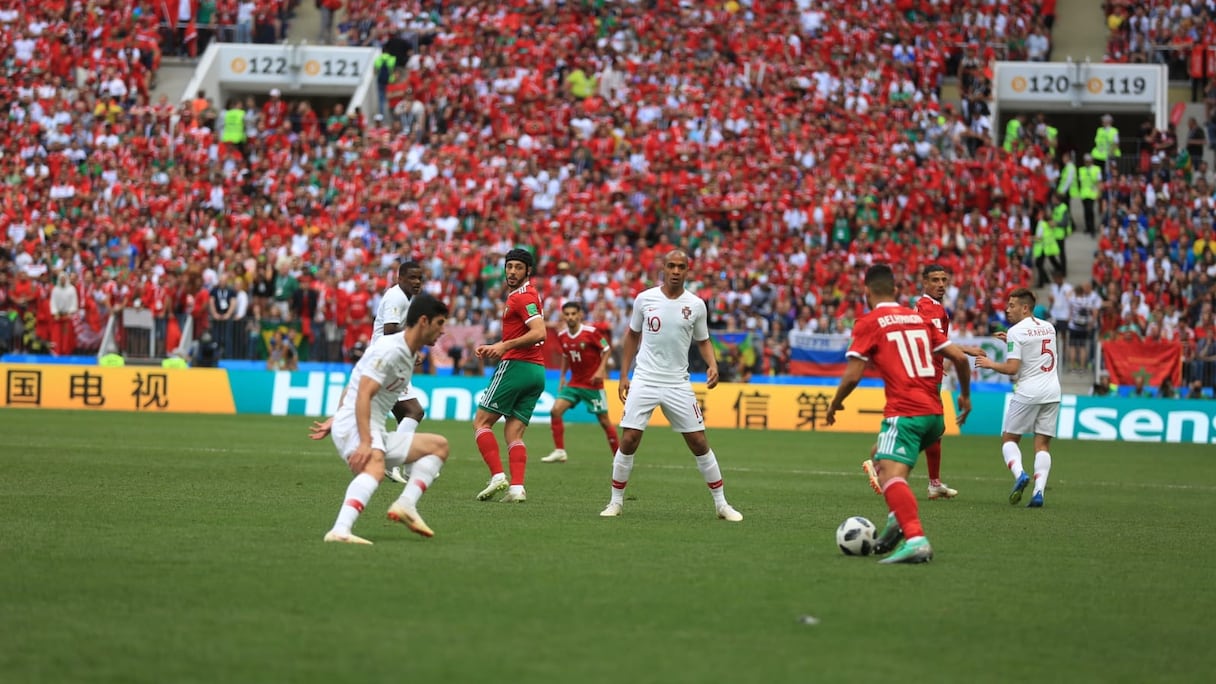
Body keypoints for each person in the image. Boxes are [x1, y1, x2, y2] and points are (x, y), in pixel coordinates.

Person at [828, 264, 973, 564]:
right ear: (896, 290)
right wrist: (966, 397)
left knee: (891, 477)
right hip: (935, 414)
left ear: (866, 292)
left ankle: (916, 539)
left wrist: (835, 404)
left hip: (906, 412)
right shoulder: (918, 318)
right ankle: (897, 520)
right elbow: (959, 358)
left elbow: (853, 376)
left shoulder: (869, 321)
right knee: (881, 457)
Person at [599, 249, 743, 522]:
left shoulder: (697, 305)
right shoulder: (645, 299)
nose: (676, 271)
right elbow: (632, 335)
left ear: (688, 271)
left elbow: (703, 340)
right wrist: (624, 374)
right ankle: (615, 502)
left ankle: (722, 504)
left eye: (681, 267)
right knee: (629, 439)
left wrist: (712, 364)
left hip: (678, 382)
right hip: (645, 378)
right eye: (671, 266)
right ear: (663, 268)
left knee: (699, 441)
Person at [308, 293, 452, 544]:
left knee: (438, 446)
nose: (443, 332)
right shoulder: (391, 350)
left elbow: (356, 380)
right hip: (358, 424)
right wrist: (363, 441)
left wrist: (335, 417)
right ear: (424, 321)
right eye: (440, 324)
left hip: (365, 424)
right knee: (375, 469)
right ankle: (340, 530)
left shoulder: (408, 353)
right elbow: (364, 391)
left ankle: (406, 504)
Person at [864, 265, 984, 500]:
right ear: (924, 283)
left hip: (931, 372)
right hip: (927, 377)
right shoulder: (929, 308)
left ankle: (932, 482)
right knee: (930, 427)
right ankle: (880, 462)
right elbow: (931, 341)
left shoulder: (932, 307)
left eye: (944, 280)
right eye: (935, 280)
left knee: (933, 430)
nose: (941, 284)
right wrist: (966, 350)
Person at [472, 249, 548, 503]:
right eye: (509, 266)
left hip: (517, 366)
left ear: (528, 271)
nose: (512, 271)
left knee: (481, 422)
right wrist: (497, 343)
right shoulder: (527, 295)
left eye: (518, 267)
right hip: (536, 371)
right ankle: (517, 488)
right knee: (514, 434)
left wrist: (504, 347)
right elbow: (526, 331)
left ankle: (497, 476)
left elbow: (539, 332)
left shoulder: (521, 296)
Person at [976, 288, 1061, 508]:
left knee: (1009, 439)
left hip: (1029, 392)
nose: (1007, 309)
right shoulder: (1049, 327)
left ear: (1025, 308)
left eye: (1012, 305)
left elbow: (1013, 369)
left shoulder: (1016, 331)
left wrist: (990, 364)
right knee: (1042, 445)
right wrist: (1011, 342)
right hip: (1052, 392)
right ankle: (1038, 491)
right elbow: (1036, 352)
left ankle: (1020, 474)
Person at [542, 301, 621, 463]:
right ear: (563, 316)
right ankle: (560, 451)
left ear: (580, 315)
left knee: (604, 421)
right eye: (567, 314)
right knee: (555, 411)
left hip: (593, 385)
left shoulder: (592, 332)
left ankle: (619, 457)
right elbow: (565, 356)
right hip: (574, 383)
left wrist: (600, 370)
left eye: (573, 314)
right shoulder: (562, 336)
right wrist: (563, 376)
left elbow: (606, 349)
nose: (570, 317)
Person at [372, 260, 428, 484]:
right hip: (387, 361)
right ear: (400, 278)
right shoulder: (397, 296)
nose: (417, 282)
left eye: (419, 278)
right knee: (415, 412)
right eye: (412, 278)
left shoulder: (405, 297)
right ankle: (389, 461)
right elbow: (390, 329)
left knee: (404, 416)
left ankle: (409, 468)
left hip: (388, 359)